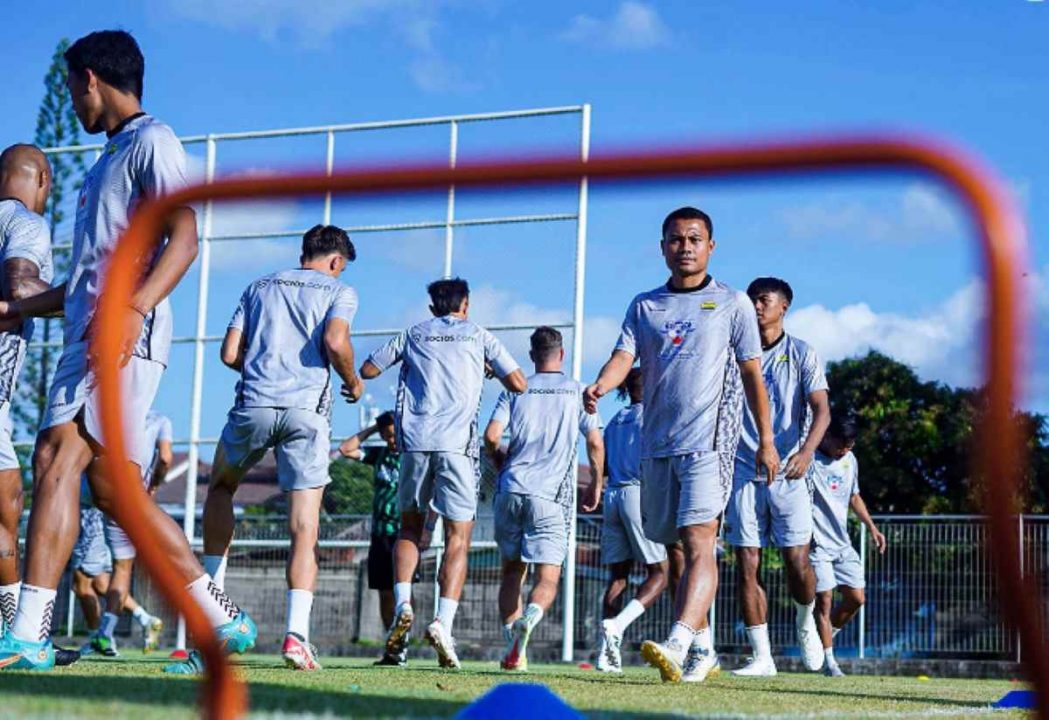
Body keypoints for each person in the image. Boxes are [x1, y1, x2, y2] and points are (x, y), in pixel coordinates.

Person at [0, 30, 253, 671]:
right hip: (92, 328)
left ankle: (26, 633)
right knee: (119, 497)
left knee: (55, 457)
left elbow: (186, 236)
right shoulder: (107, 162)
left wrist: (132, 311)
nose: (73, 103)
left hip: (119, 336)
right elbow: (86, 280)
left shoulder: (151, 141)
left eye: (70, 89)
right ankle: (220, 619)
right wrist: (20, 307)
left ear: (89, 79)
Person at [584, 206, 779, 684]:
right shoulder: (645, 305)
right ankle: (705, 650)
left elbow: (754, 376)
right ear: (663, 247)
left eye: (695, 239)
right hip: (657, 446)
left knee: (700, 543)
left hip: (709, 444)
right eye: (676, 239)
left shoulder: (732, 303)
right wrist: (601, 386)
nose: (685, 247)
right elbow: (623, 354)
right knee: (673, 552)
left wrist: (767, 440)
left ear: (711, 246)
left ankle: (677, 640)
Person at [197, 224, 363, 672]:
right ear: (335, 261)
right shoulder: (339, 290)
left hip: (253, 405)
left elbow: (230, 354)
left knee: (220, 491)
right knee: (304, 527)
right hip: (305, 413)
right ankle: (296, 637)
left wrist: (265, 368)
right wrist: (352, 380)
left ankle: (216, 612)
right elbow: (335, 341)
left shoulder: (258, 286)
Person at [361, 277, 526, 669]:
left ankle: (403, 604)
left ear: (433, 307)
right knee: (458, 537)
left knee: (410, 530)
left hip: (415, 444)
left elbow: (368, 369)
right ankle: (443, 623)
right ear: (465, 305)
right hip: (457, 446)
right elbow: (518, 382)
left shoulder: (413, 333)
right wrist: (486, 369)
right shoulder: (479, 335)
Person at [724, 277, 831, 676]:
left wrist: (806, 452)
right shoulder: (732, 354)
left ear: (783, 306)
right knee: (746, 561)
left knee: (795, 561)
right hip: (742, 470)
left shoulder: (802, 353)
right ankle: (762, 657)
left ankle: (806, 620)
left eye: (763, 300)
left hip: (789, 472)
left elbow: (822, 409)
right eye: (751, 299)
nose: (755, 305)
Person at [483, 326, 604, 672]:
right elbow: (594, 443)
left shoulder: (515, 387)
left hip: (511, 489)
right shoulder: (577, 392)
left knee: (511, 572)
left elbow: (491, 436)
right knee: (547, 577)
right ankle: (531, 618)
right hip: (550, 496)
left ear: (533, 355)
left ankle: (513, 647)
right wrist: (595, 483)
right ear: (561, 354)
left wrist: (498, 459)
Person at [0, 143, 54, 638]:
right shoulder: (26, 225)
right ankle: (19, 629)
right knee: (7, 505)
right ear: (43, 180)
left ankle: (14, 625)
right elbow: (20, 289)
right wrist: (81, 298)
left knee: (8, 497)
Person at [596, 367, 676, 674]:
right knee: (661, 573)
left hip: (612, 497)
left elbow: (601, 467)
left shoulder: (616, 420)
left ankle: (606, 654)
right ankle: (618, 625)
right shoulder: (652, 417)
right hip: (637, 494)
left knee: (617, 577)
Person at [809, 414, 886, 677]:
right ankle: (830, 663)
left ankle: (821, 639)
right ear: (827, 437)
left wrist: (872, 527)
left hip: (842, 544)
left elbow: (854, 496)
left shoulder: (850, 460)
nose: (844, 451)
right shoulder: (809, 460)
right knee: (826, 598)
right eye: (841, 445)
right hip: (816, 544)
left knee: (856, 598)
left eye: (850, 447)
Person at [91, 410, 172, 655]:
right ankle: (106, 633)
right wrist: (154, 485)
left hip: (96, 491)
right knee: (118, 570)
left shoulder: (111, 409)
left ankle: (102, 635)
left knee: (88, 581)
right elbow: (165, 458)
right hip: (134, 498)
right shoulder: (161, 419)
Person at [336, 410, 406, 665]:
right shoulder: (379, 455)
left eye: (394, 435)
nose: (391, 441)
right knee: (384, 592)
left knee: (403, 592)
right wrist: (374, 430)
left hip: (404, 534)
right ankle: (393, 647)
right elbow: (346, 449)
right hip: (380, 534)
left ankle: (405, 641)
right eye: (387, 436)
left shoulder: (413, 457)